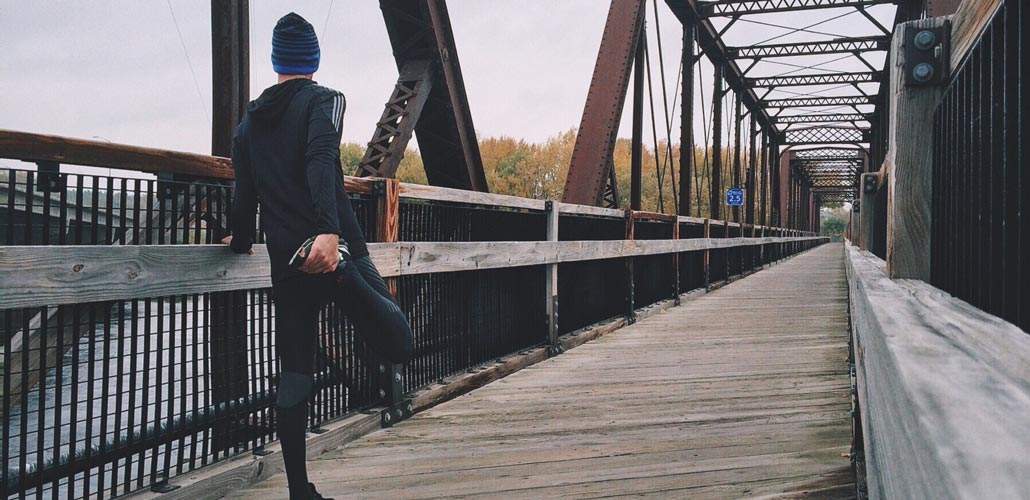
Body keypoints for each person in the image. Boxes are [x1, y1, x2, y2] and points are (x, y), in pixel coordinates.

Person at [222, 12, 413, 500]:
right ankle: (347, 274)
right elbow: (320, 160)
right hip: (333, 252)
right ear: (314, 59)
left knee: (295, 375)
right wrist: (330, 235)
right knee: (398, 343)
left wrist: (239, 241)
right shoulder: (326, 102)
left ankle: (300, 491)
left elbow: (245, 197)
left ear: (274, 61)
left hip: (287, 264)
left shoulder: (248, 124)